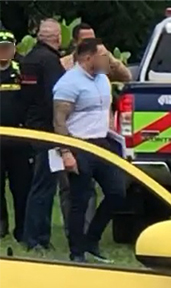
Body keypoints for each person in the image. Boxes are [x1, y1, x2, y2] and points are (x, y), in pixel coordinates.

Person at [54, 38, 124, 264]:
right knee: (80, 200)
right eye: (102, 56)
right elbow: (59, 121)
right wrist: (66, 152)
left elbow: (127, 77)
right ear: (87, 58)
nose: (107, 60)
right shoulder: (69, 83)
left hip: (102, 143)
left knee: (117, 192)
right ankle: (77, 252)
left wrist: (112, 60)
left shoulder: (102, 77)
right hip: (79, 145)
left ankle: (91, 240)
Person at [19, 19, 64, 252]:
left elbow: (24, 97)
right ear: (57, 37)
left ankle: (33, 235)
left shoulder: (28, 60)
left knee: (37, 183)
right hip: (48, 130)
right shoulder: (50, 62)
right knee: (44, 186)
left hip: (31, 126)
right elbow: (56, 97)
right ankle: (36, 238)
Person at [0, 29, 30, 247]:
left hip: (19, 140)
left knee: (21, 187)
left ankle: (22, 229)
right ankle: (1, 225)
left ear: (14, 49)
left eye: (7, 48)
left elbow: (30, 101)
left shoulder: (22, 72)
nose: (3, 52)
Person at [60, 23, 130, 83]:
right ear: (75, 42)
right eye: (86, 41)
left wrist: (109, 58)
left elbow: (126, 77)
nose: (90, 44)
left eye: (92, 40)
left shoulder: (101, 61)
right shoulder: (64, 64)